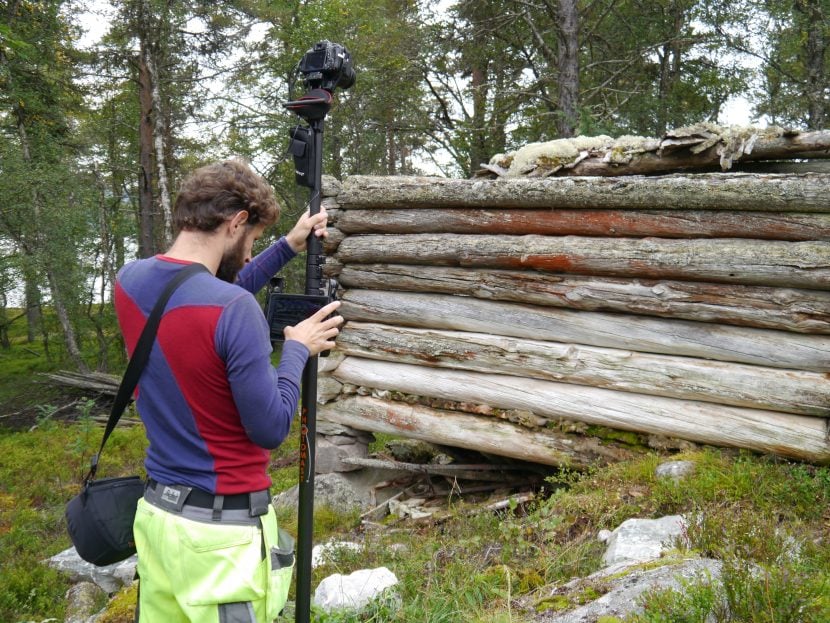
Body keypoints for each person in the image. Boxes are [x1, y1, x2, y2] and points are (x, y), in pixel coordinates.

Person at [114, 158, 343, 622]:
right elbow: (270, 427)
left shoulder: (130, 282)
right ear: (236, 221)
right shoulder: (234, 309)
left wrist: (286, 246)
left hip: (158, 519)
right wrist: (297, 349)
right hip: (222, 538)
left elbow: (197, 295)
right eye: (253, 238)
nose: (249, 250)